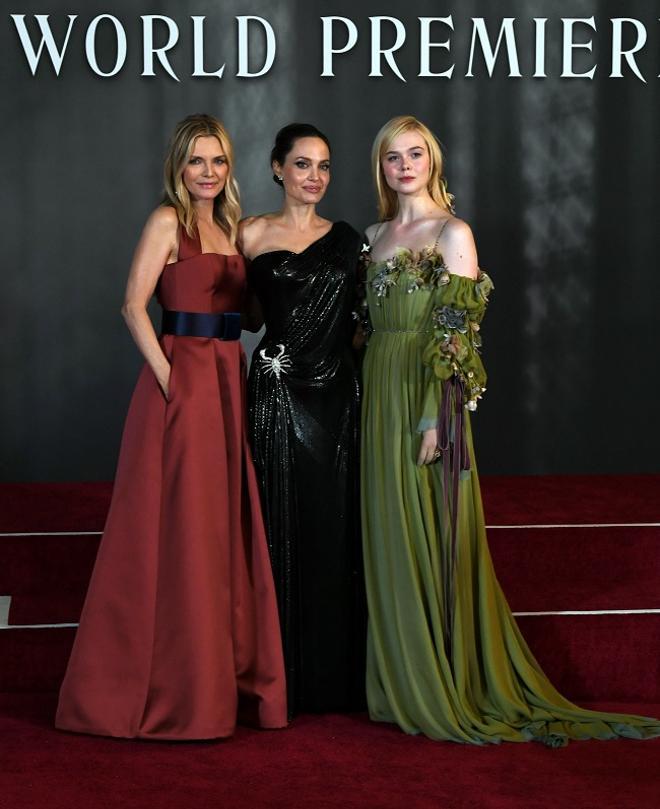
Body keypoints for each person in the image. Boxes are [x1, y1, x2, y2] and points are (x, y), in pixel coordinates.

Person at [360, 114, 660, 745]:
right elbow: (366, 327)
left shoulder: (453, 233)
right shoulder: (374, 235)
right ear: (381, 167)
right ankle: (401, 678)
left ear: (433, 161)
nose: (405, 166)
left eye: (416, 154)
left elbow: (457, 333)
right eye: (393, 156)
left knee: (432, 533)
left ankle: (444, 680)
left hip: (424, 395)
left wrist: (435, 417)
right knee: (389, 530)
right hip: (379, 391)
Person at [56, 114, 287, 740]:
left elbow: (253, 314)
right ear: (178, 167)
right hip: (182, 381)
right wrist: (171, 380)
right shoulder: (167, 221)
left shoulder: (233, 228)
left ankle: (217, 675)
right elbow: (133, 306)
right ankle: (166, 689)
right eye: (196, 161)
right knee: (179, 526)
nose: (208, 173)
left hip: (228, 378)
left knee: (217, 525)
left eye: (218, 161)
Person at [239, 123, 366, 715]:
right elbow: (242, 315)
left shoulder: (348, 241)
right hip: (275, 392)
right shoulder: (249, 233)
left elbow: (364, 323)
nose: (315, 177)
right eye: (303, 164)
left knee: (334, 525)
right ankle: (274, 673)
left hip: (336, 397)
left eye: (324, 166)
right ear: (277, 168)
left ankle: (333, 677)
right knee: (275, 523)